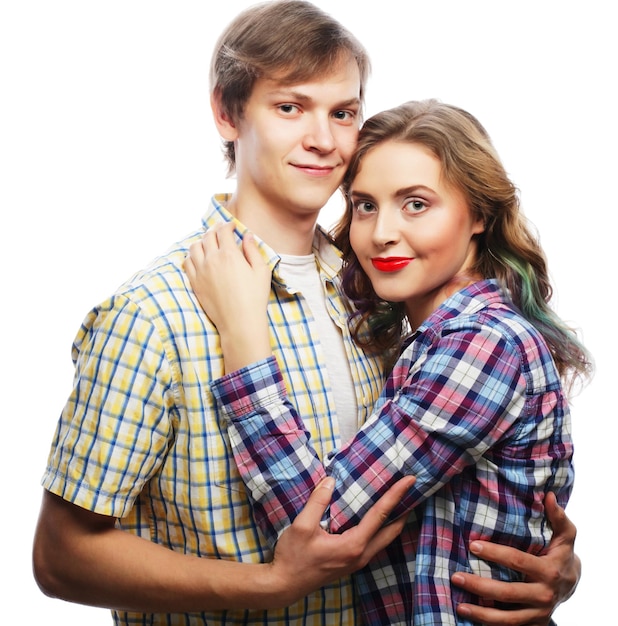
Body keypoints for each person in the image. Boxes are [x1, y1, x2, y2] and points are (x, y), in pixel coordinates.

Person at [32, 0, 580, 623]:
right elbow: (59, 558)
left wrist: (544, 557)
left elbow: (449, 489)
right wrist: (268, 586)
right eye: (290, 107)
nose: (323, 140)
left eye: (343, 113)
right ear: (226, 113)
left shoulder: (376, 298)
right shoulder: (152, 314)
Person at [184, 98, 593, 625]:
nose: (381, 233)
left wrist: (242, 331)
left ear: (479, 215)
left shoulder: (482, 343)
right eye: (365, 205)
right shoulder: (421, 339)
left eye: (416, 204)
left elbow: (321, 527)